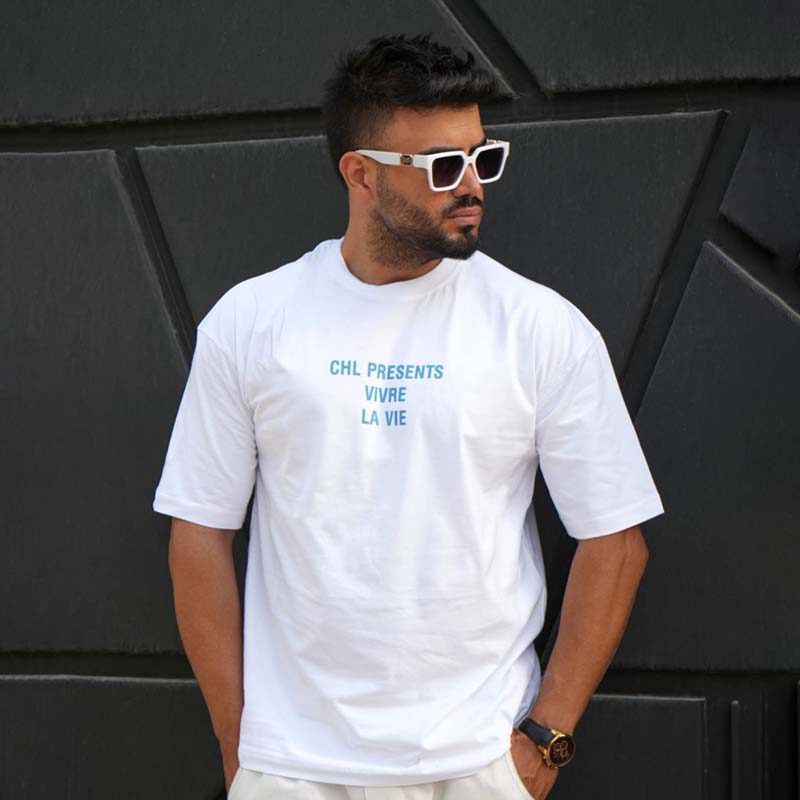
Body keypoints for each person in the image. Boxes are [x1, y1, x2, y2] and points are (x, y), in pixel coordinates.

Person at [153, 32, 665, 800]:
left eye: (482, 158)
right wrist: (240, 745)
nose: (473, 185)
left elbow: (615, 539)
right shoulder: (252, 322)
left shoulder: (539, 328)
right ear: (360, 174)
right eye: (443, 166)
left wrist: (545, 741)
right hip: (291, 769)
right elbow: (198, 533)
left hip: (479, 762)